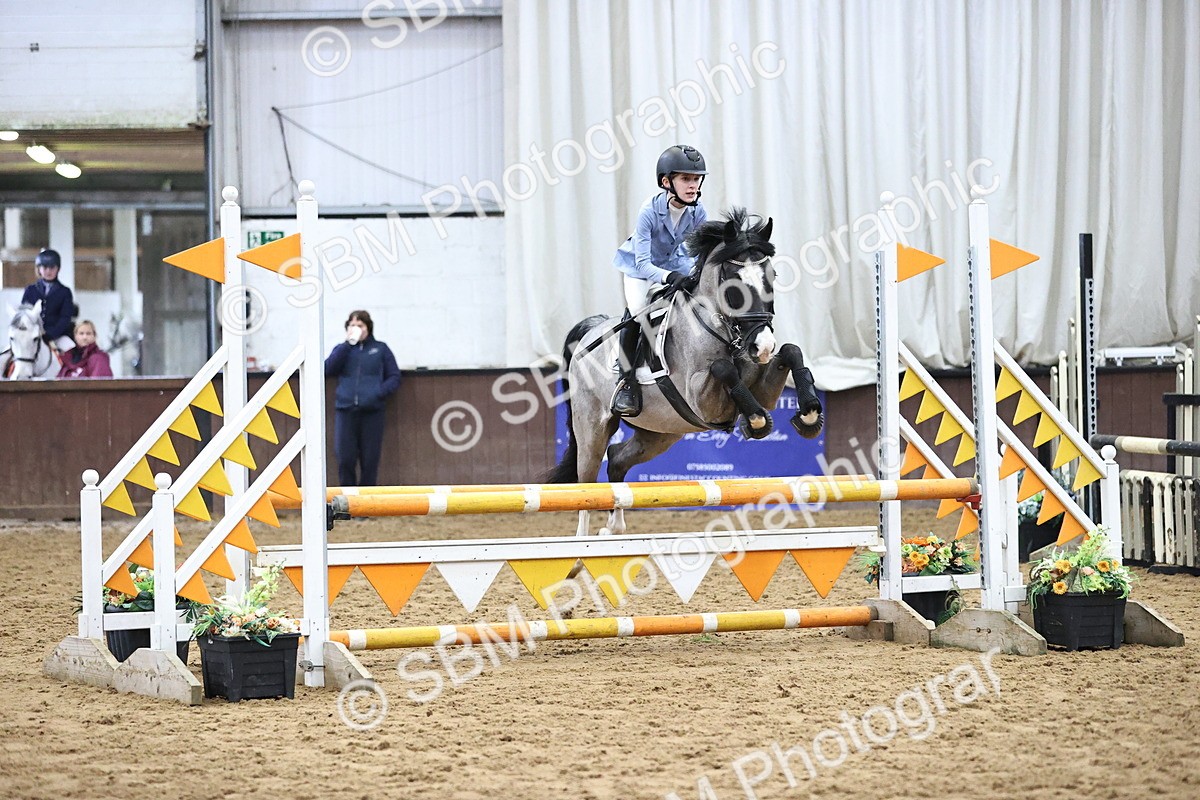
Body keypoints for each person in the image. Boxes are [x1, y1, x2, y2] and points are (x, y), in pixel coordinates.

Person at [610, 144, 709, 416]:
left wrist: (691, 273)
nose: (693, 185)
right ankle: (626, 380)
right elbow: (643, 263)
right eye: (686, 179)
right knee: (637, 310)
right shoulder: (649, 212)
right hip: (639, 269)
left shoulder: (698, 212)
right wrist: (670, 276)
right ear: (667, 182)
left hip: (675, 264)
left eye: (697, 179)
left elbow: (695, 253)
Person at [324, 310, 402, 487]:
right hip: (345, 410)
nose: (356, 328)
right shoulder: (342, 349)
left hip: (372, 412)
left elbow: (394, 377)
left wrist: (377, 393)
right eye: (352, 325)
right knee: (345, 458)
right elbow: (328, 369)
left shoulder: (381, 349)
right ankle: (348, 504)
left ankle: (367, 506)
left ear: (368, 328)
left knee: (370, 460)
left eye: (359, 325)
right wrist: (347, 344)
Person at [21, 249, 76, 354]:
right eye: (45, 267)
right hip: (32, 334)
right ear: (39, 269)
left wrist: (49, 334)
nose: (48, 271)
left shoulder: (65, 292)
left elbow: (65, 317)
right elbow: (24, 313)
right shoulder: (30, 290)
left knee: (71, 349)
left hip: (57, 336)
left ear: (58, 269)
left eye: (52, 267)